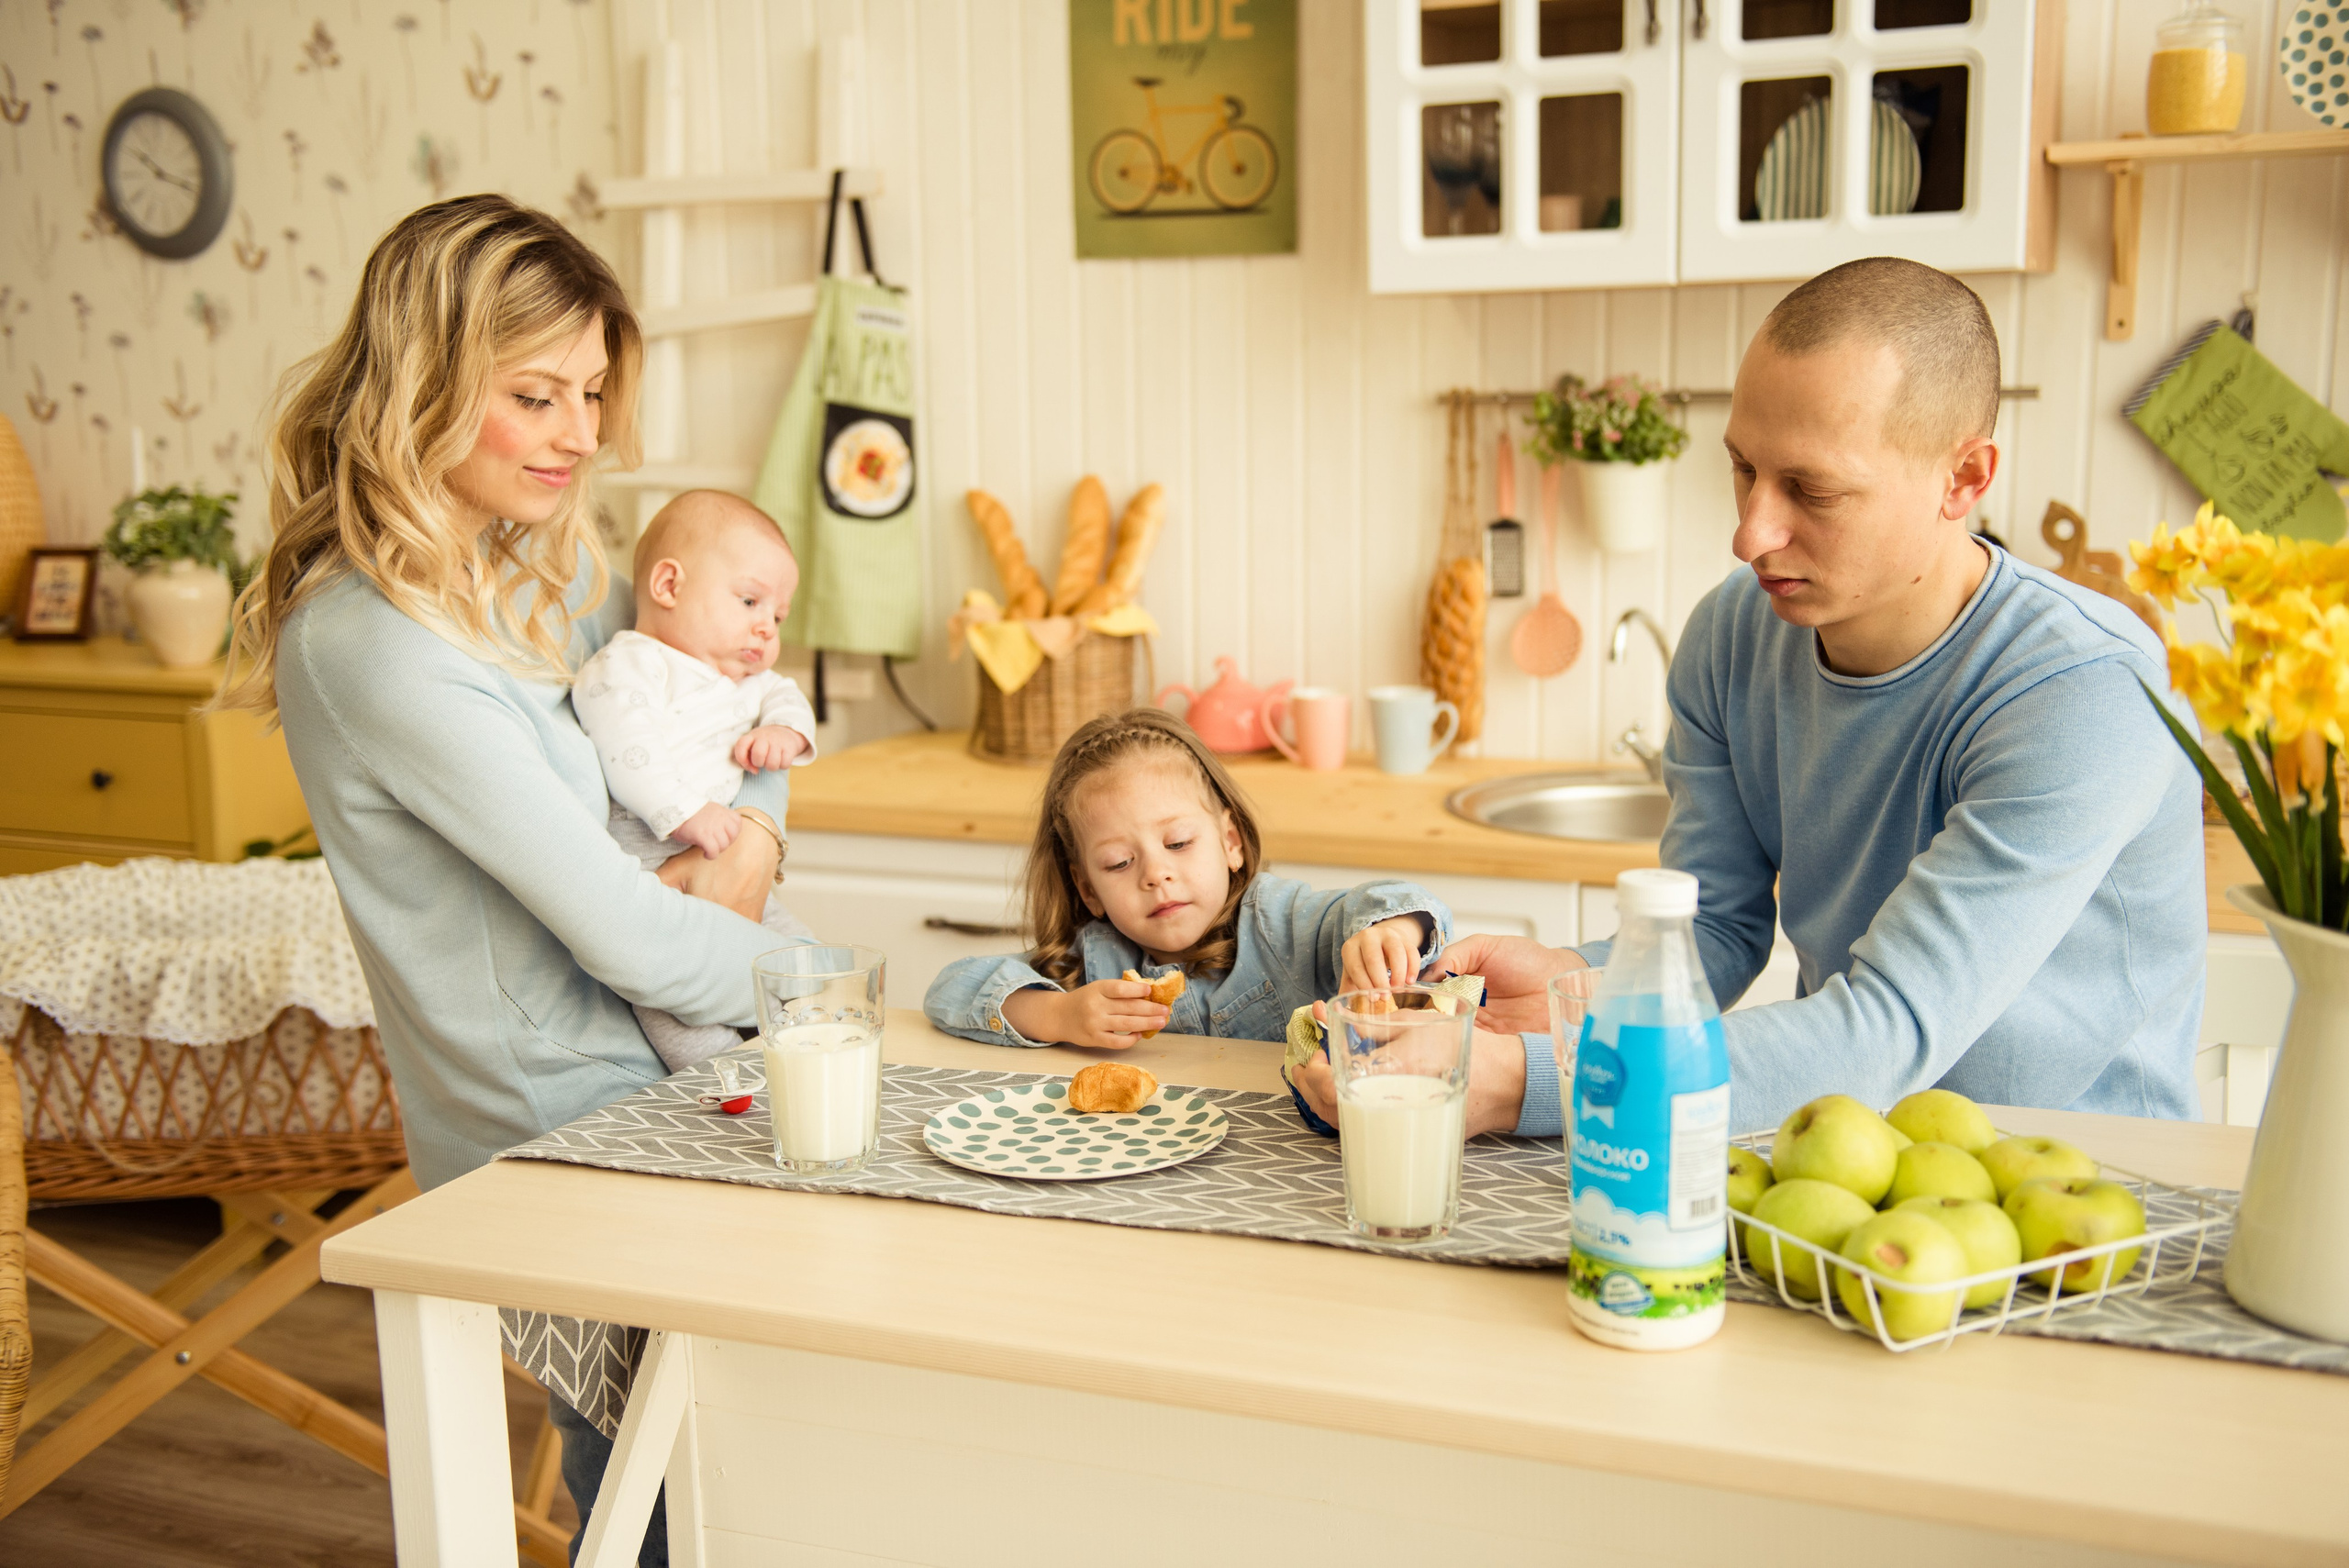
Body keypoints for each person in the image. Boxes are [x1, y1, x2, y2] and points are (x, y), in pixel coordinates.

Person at [1297, 257, 2205, 1140]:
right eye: (1743, 469)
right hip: (1839, 1156)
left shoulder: (2086, 689)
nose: (1749, 533)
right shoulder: (1734, 634)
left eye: (1812, 489)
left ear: (1963, 478)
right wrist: (1576, 979)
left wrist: (1535, 1076)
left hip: (2095, 1187)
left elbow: (1890, 1025)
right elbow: (1716, 933)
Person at [220, 194, 783, 1567]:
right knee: (665, 1499)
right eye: (536, 395)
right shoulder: (373, 645)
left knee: (742, 1473)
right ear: (420, 384)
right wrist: (822, 984)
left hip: (667, 1084)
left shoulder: (526, 587)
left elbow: (738, 687)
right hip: (557, 1134)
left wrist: (752, 836)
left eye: (591, 393)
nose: (583, 435)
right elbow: (629, 937)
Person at [925, 709, 1458, 1051]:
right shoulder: (1093, 962)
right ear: (1088, 888)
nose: (1157, 874)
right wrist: (1059, 1014)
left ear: (1231, 842)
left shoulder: (1283, 923)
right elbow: (950, 989)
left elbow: (1397, 901)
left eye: (1178, 844)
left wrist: (1392, 932)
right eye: (1118, 864)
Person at [574, 489, 820, 1068]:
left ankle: (798, 1055)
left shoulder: (747, 679)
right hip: (655, 864)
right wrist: (683, 810)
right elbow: (624, 745)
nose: (765, 629)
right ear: (668, 586)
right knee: (672, 1000)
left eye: (777, 616)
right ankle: (716, 1076)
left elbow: (790, 700)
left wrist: (785, 733)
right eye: (749, 600)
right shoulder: (630, 663)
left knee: (805, 960)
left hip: (731, 864)